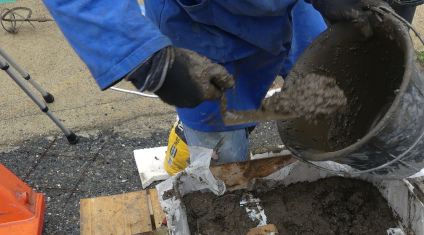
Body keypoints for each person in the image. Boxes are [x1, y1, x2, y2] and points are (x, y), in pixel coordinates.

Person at [41, 0, 384, 173]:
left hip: (296, 9)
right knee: (224, 155)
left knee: (337, 98)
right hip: (204, 25)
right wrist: (147, 60)